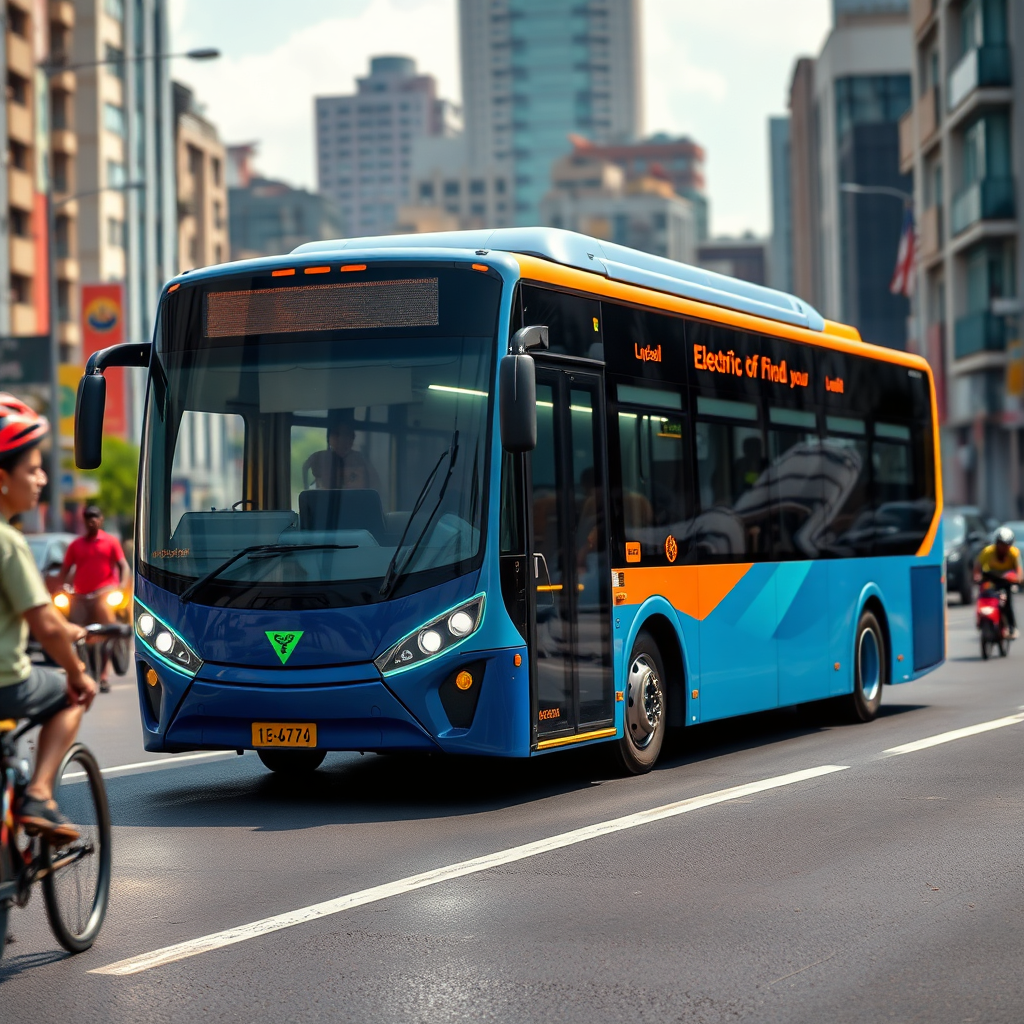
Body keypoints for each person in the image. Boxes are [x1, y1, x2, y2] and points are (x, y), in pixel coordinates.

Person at [0, 394, 96, 842]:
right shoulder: (9, 542)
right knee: (70, 694)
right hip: (7, 684)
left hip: (93, 596)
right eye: (32, 469)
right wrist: (77, 671)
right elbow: (46, 625)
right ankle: (39, 794)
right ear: (3, 478)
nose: (41, 479)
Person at [57, 505, 129, 692]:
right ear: (84, 520)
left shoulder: (111, 542)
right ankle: (81, 673)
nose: (92, 520)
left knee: (106, 631)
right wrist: (60, 587)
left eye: (95, 517)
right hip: (80, 596)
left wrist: (122, 585)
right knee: (76, 632)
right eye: (88, 517)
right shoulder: (76, 545)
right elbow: (65, 570)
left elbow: (123, 566)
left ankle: (104, 676)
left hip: (103, 593)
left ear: (101, 519)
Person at [303, 413, 382, 491]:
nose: (341, 439)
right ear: (329, 438)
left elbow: (376, 486)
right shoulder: (320, 457)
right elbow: (306, 470)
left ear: (352, 438)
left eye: (346, 434)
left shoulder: (361, 459)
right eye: (336, 434)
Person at [976, 526, 1022, 639]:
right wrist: (977, 576)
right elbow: (977, 567)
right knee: (984, 596)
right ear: (996, 543)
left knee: (1007, 602)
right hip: (991, 578)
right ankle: (982, 619)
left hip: (1007, 580)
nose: (1003, 548)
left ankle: (1011, 627)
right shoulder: (987, 552)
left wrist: (1018, 579)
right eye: (1001, 544)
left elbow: (1019, 571)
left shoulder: (1014, 553)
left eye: (1006, 545)